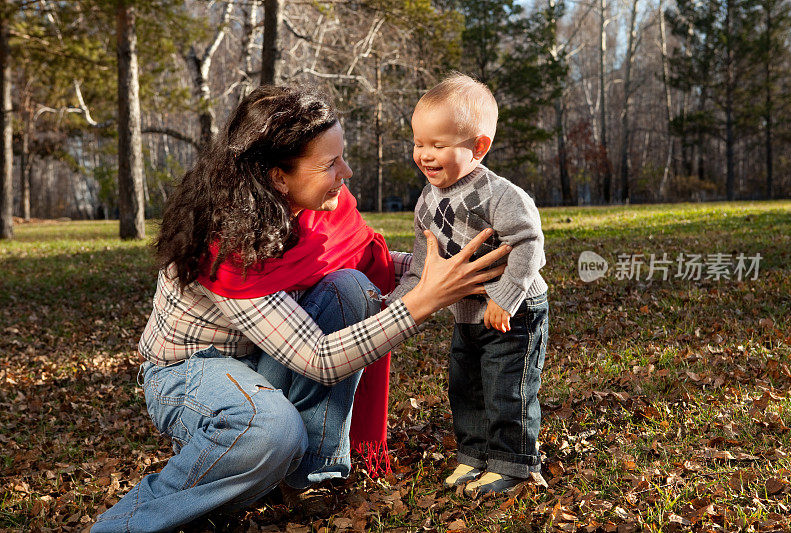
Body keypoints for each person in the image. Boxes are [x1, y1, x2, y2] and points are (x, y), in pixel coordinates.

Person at [91, 84, 510, 532]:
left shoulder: (320, 207)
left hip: (264, 355)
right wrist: (426, 300)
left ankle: (307, 474)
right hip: (189, 370)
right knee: (269, 432)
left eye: (341, 155)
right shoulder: (229, 243)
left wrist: (455, 267)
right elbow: (319, 359)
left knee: (351, 288)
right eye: (330, 164)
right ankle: (128, 524)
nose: (345, 171)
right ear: (277, 178)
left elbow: (375, 265)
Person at [389, 73, 549, 496]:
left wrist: (506, 297)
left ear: (478, 147)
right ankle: (474, 457)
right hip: (468, 313)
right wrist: (398, 302)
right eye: (418, 143)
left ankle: (512, 462)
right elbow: (427, 262)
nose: (424, 154)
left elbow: (529, 244)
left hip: (513, 311)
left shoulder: (501, 195)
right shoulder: (427, 199)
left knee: (506, 387)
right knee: (466, 386)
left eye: (438, 145)